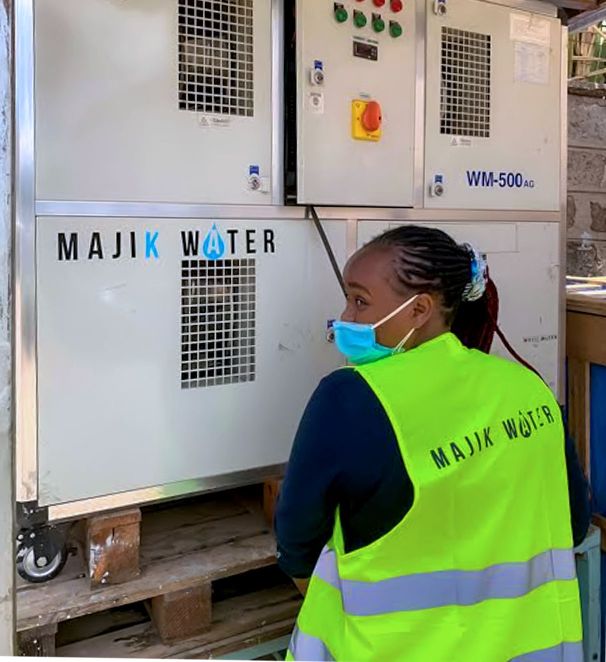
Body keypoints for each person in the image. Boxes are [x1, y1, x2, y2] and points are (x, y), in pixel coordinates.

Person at [275, 225, 590, 662]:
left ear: (419, 309)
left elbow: (296, 547)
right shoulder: (529, 388)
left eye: (360, 301)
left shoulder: (350, 397)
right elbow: (572, 522)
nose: (345, 317)